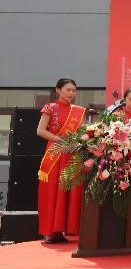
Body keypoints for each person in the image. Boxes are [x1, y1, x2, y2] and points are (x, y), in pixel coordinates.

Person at [35, 78, 85, 244]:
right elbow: (40, 131)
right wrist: (61, 140)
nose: (71, 93)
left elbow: (80, 133)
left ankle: (61, 230)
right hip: (55, 153)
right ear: (58, 90)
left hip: (71, 154)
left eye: (73, 90)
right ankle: (49, 231)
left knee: (67, 191)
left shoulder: (77, 111)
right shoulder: (50, 107)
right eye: (67, 90)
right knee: (51, 190)